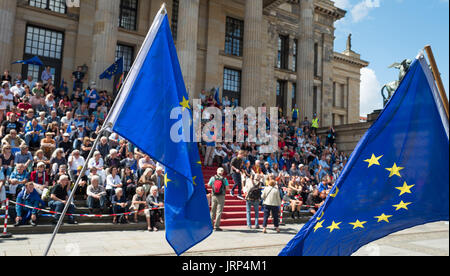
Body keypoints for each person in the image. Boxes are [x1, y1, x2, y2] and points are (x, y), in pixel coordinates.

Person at [208, 167, 229, 231]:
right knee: (219, 211)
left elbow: (209, 185)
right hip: (221, 196)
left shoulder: (212, 178)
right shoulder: (224, 179)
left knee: (212, 211)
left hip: (214, 196)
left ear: (217, 172)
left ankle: (210, 225)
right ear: (222, 172)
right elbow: (227, 188)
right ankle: (216, 226)